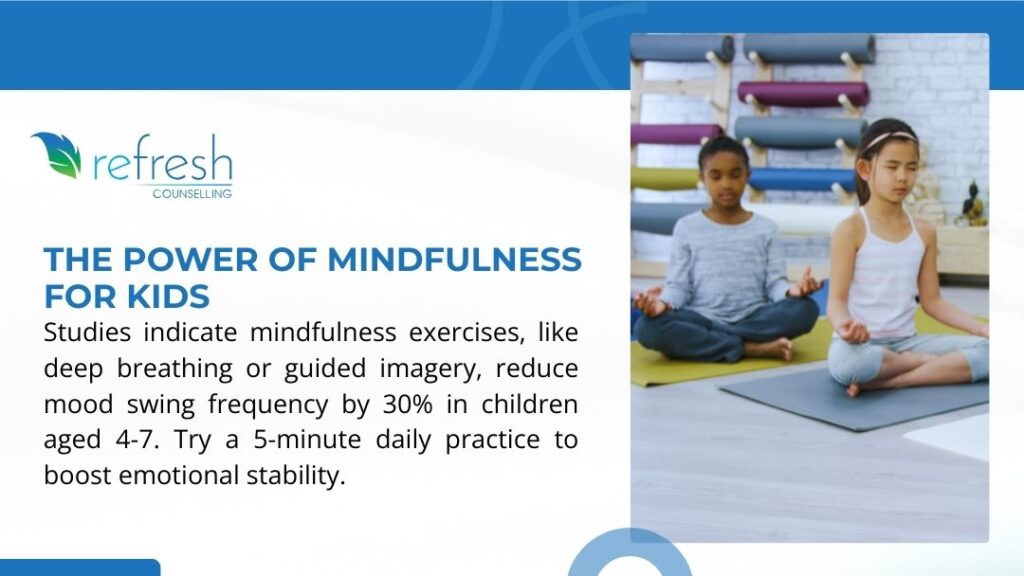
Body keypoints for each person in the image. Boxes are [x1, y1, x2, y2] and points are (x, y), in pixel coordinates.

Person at [826, 118, 989, 397]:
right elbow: (836, 302)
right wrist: (845, 327)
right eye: (892, 167)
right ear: (865, 169)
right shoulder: (850, 230)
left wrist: (981, 328)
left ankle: (892, 381)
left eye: (911, 168)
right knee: (848, 365)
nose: (903, 176)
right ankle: (926, 366)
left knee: (995, 353)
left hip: (907, 342)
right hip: (861, 348)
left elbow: (933, 301)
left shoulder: (924, 232)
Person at [633, 136, 821, 363]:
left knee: (806, 310)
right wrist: (661, 304)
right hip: (700, 319)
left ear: (747, 176)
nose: (726, 184)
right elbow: (678, 287)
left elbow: (775, 284)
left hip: (753, 318)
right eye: (716, 176)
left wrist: (792, 292)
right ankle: (750, 348)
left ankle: (710, 344)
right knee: (646, 327)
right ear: (702, 178)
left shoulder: (766, 228)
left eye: (735, 175)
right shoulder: (686, 227)